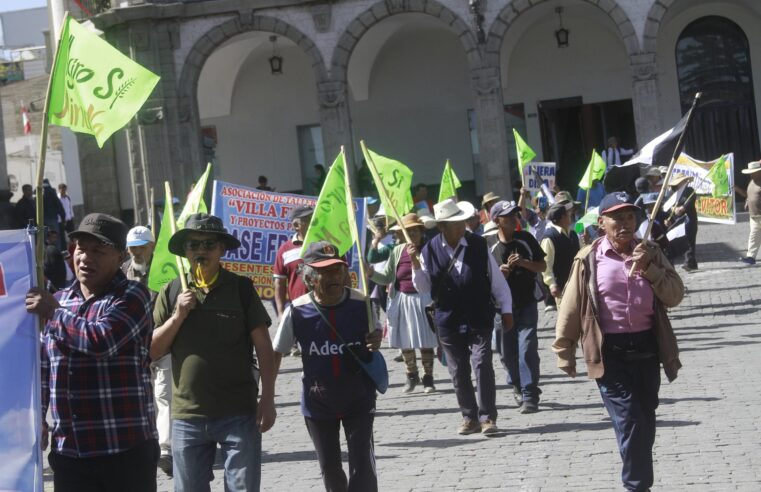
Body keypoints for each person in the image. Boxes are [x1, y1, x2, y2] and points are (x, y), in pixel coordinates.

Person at [552, 191, 683, 492]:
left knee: (645, 420)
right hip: (610, 354)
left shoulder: (650, 250)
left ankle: (637, 476)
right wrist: (564, 350)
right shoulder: (588, 257)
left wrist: (650, 268)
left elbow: (675, 295)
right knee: (630, 421)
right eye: (617, 218)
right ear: (601, 223)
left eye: (629, 217)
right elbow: (571, 305)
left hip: (647, 350)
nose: (625, 224)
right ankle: (637, 486)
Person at [25, 213, 159, 491]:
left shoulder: (133, 296)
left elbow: (102, 340)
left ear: (121, 256)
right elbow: (42, 367)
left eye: (99, 251)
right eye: (81, 249)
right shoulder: (60, 300)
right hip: (70, 454)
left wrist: (52, 313)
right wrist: (37, 416)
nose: (86, 257)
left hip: (124, 451)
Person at [151, 213, 276, 491]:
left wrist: (267, 399)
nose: (200, 251)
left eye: (208, 244)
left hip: (239, 413)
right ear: (184, 251)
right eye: (193, 245)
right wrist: (178, 316)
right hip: (187, 417)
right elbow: (153, 349)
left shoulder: (241, 289)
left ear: (221, 249)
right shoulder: (171, 291)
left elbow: (265, 351)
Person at [272, 241, 383, 491]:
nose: (334, 276)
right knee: (330, 470)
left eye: (338, 270)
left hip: (359, 398)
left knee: (363, 466)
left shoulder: (362, 303)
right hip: (317, 402)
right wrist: (267, 396)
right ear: (309, 278)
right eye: (325, 271)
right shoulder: (297, 312)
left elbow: (374, 335)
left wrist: (375, 338)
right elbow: (277, 351)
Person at [411, 198, 514, 436]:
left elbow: (496, 279)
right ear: (441, 227)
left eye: (461, 221)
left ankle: (488, 417)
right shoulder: (429, 250)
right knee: (458, 370)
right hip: (448, 318)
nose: (461, 226)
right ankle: (470, 417)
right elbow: (424, 287)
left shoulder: (478, 245)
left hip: (479, 314)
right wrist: (415, 264)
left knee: (482, 363)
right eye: (455, 223)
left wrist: (506, 308)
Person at [121, 225, 174, 476]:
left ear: (152, 246)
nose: (137, 252)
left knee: (164, 395)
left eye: (142, 247)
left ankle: (165, 449)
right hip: (133, 348)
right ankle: (148, 442)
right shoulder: (121, 273)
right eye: (133, 248)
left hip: (163, 344)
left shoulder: (166, 270)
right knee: (143, 398)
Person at [487, 200, 547, 414]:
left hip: (526, 302)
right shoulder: (487, 244)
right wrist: (499, 275)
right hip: (500, 307)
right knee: (506, 352)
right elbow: (481, 279)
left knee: (527, 347)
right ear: (496, 221)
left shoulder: (525, 239)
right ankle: (516, 384)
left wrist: (523, 263)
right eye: (508, 215)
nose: (514, 218)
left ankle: (530, 394)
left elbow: (542, 265)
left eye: (515, 214)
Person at [370, 213, 438, 393]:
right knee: (405, 340)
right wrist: (372, 275)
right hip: (402, 298)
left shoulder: (429, 249)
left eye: (415, 231)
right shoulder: (397, 251)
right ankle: (411, 375)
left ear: (421, 232)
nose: (412, 234)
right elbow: (387, 277)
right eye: (408, 231)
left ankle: (428, 377)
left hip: (424, 299)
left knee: (425, 340)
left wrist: (416, 258)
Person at [274, 205, 314, 356]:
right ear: (296, 225)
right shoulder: (285, 250)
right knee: (308, 353)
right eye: (309, 220)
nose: (314, 222)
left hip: (325, 307)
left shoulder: (324, 245)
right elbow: (279, 284)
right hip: (300, 310)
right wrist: (280, 313)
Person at [540, 200, 580, 309]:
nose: (570, 216)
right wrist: (552, 284)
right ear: (562, 217)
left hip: (577, 283)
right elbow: (546, 265)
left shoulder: (572, 233)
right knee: (567, 318)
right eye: (568, 214)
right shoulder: (549, 238)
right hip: (562, 287)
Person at [665, 174, 698, 272]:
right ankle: (691, 263)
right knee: (680, 240)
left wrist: (682, 208)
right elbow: (666, 204)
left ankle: (689, 262)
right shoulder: (673, 193)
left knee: (689, 240)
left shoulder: (690, 191)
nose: (684, 183)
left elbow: (690, 201)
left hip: (690, 219)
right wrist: (672, 209)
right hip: (677, 221)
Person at [740, 160, 761, 265]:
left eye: (753, 172)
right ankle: (750, 257)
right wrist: (747, 200)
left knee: (754, 235)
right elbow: (747, 194)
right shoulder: (751, 182)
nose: (751, 174)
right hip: (753, 215)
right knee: (754, 236)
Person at [42, 178, 66, 248]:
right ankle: (57, 253)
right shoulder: (52, 192)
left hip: (42, 220)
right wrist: (63, 218)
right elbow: (59, 206)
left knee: (45, 238)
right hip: (53, 219)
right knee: (56, 237)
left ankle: (46, 254)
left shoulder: (38, 192)